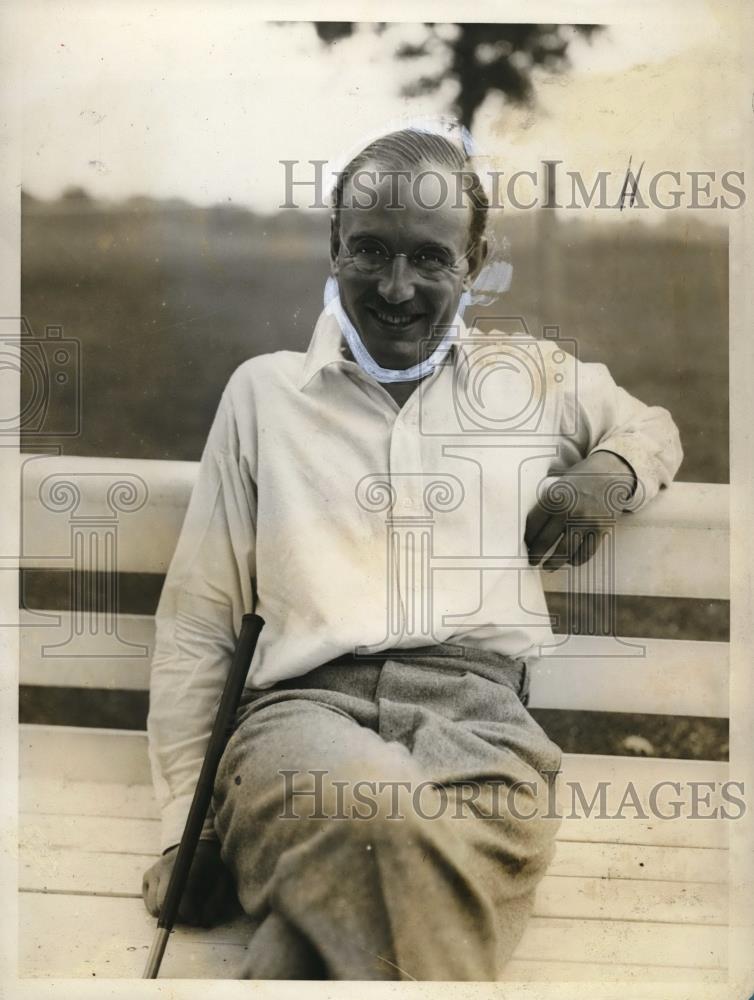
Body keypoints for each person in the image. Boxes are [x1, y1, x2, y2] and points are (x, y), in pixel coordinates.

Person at [141, 122, 683, 981]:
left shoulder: (530, 381)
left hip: (485, 732)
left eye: (431, 259)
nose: (397, 288)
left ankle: (300, 946)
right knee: (380, 816)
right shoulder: (265, 395)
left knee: (305, 943)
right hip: (301, 726)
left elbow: (650, 426)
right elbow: (200, 625)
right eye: (370, 252)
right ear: (332, 249)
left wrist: (610, 470)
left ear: (475, 262)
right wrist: (185, 827)